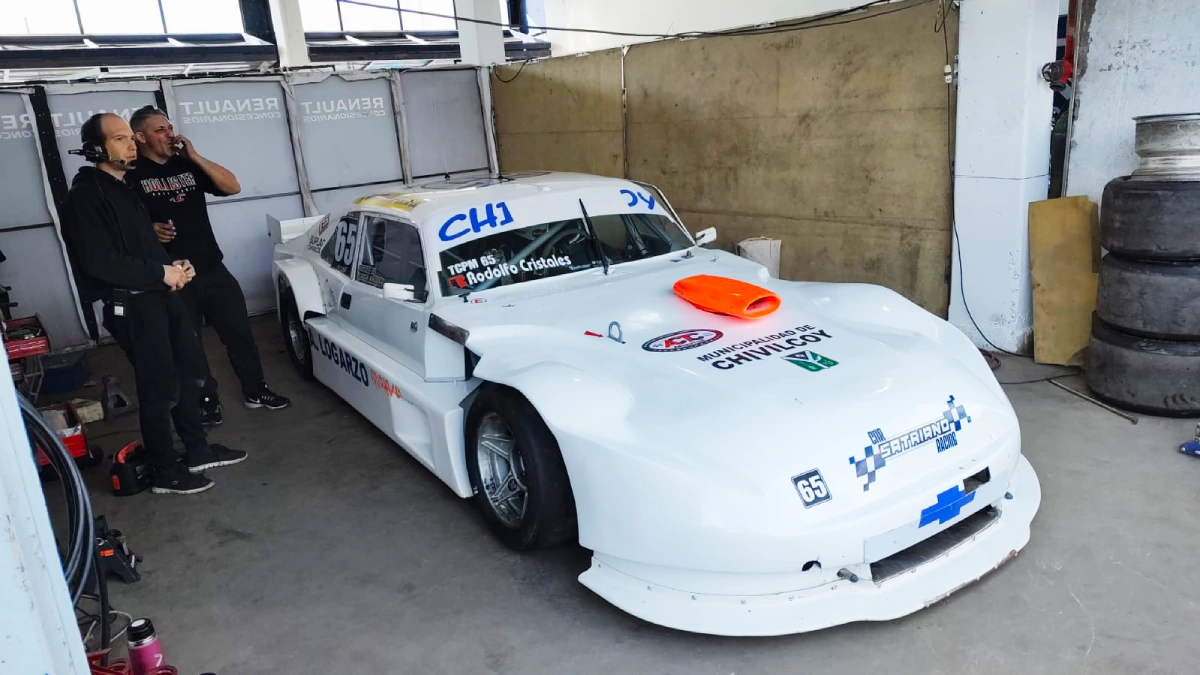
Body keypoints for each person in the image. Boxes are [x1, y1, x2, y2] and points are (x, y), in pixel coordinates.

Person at [60, 113, 247, 495]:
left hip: (160, 295)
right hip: (133, 305)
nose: (131, 144)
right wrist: (161, 274)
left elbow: (140, 247)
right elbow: (101, 262)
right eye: (119, 139)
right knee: (160, 389)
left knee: (191, 373)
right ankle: (165, 471)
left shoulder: (124, 187)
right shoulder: (85, 196)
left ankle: (197, 450)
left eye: (131, 137)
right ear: (96, 148)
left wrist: (173, 266)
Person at [127, 105, 289, 426]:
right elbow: (121, 225)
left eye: (170, 128)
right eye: (160, 130)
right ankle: (206, 400)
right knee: (189, 343)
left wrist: (196, 156)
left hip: (211, 266)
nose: (169, 134)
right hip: (172, 276)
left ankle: (255, 390)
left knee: (239, 332)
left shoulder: (186, 164)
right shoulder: (132, 175)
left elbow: (232, 187)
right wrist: (147, 230)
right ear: (140, 136)